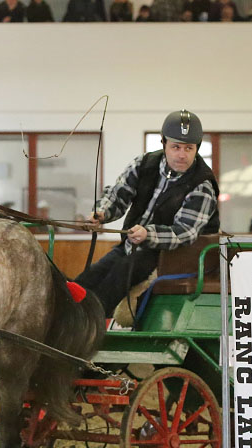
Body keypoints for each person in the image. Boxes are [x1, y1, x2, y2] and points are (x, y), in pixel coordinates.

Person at [74, 110, 219, 317]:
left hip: (169, 257)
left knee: (115, 280)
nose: (182, 154)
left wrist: (148, 234)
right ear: (164, 143)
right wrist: (102, 213)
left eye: (189, 148)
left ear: (197, 148)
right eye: (176, 147)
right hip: (130, 246)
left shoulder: (202, 185)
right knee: (84, 281)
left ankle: (88, 323)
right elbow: (118, 194)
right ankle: (69, 316)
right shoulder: (143, 164)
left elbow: (186, 232)